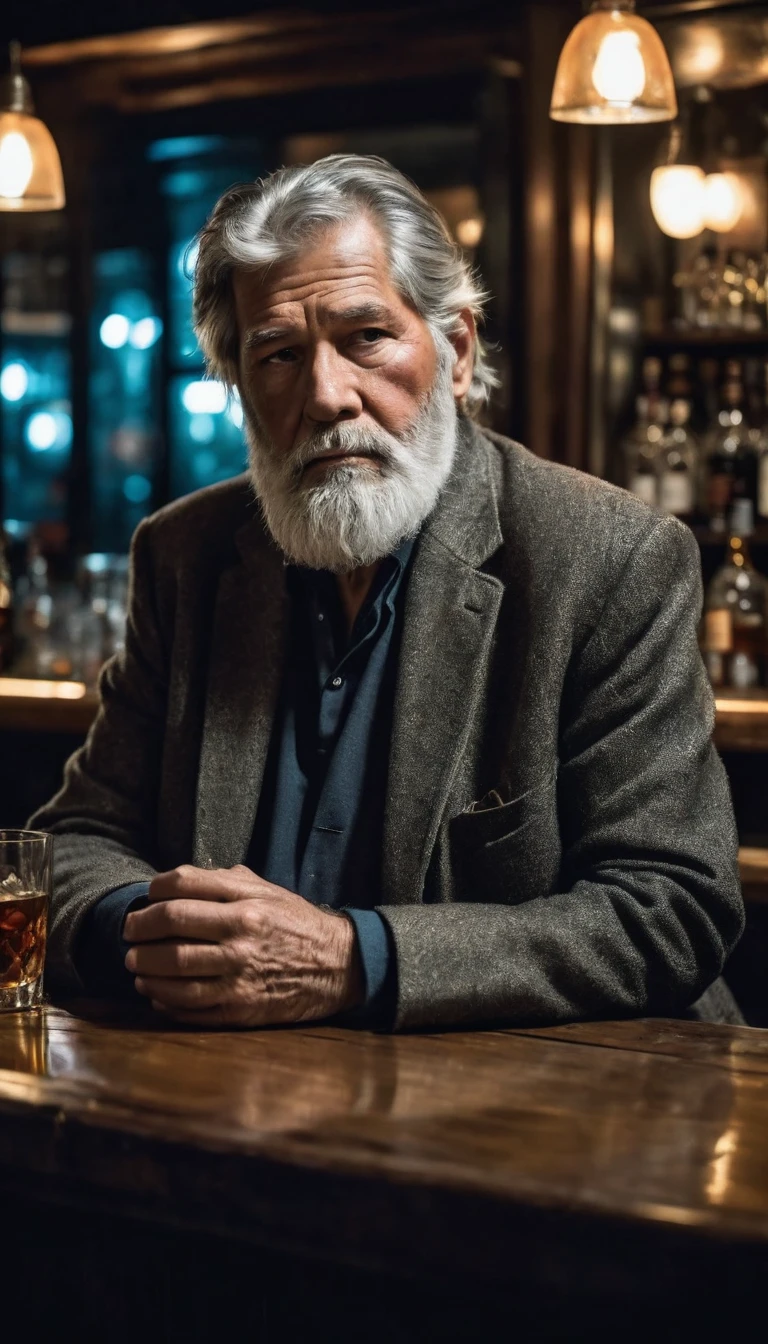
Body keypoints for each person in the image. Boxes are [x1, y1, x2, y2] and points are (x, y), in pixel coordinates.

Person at [33, 155, 744, 1030]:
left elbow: (670, 910)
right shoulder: (185, 556)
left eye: (367, 337)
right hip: (237, 1098)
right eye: (281, 354)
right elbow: (70, 845)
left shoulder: (609, 556)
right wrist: (156, 934)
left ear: (455, 350)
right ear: (241, 390)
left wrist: (350, 960)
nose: (328, 396)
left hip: (562, 1114)